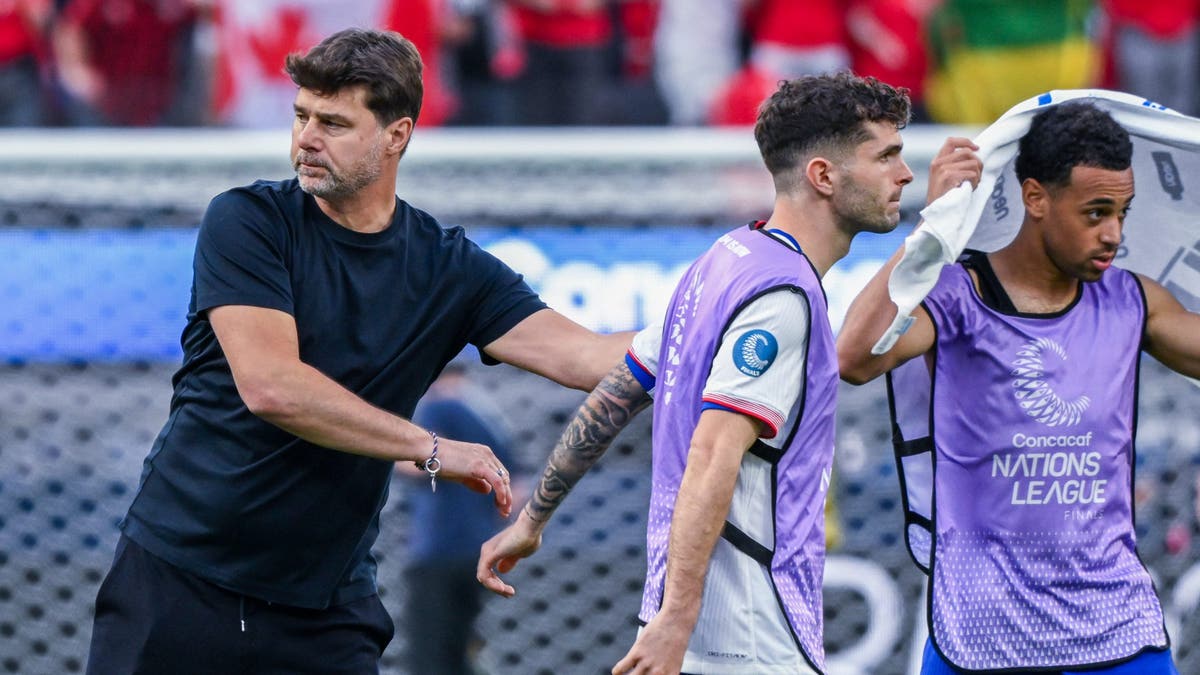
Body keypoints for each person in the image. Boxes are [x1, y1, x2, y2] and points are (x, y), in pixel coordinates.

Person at [84, 28, 629, 674]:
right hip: (179, 580)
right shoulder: (248, 221)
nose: (307, 138)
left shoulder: (447, 267)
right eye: (301, 116)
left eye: (334, 122)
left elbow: (588, 359)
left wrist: (717, 319)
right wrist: (430, 446)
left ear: (396, 135)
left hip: (324, 607)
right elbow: (272, 387)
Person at [479, 72, 949, 674]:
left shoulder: (725, 260)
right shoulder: (784, 297)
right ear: (824, 176)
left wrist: (533, 518)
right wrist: (678, 619)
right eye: (885, 156)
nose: (904, 174)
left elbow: (622, 386)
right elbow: (711, 454)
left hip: (697, 630)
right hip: (748, 637)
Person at [837, 101, 1199, 672]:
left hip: (1118, 634)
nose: (1113, 234)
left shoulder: (1132, 301)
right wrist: (932, 230)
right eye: (1096, 213)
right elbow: (855, 357)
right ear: (1035, 198)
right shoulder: (957, 295)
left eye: (1122, 213)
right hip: (981, 639)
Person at [402, 361, 524, 675]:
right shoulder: (489, 418)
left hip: (439, 548)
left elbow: (417, 455)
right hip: (480, 550)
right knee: (460, 651)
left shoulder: (440, 406)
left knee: (429, 655)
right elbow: (518, 490)